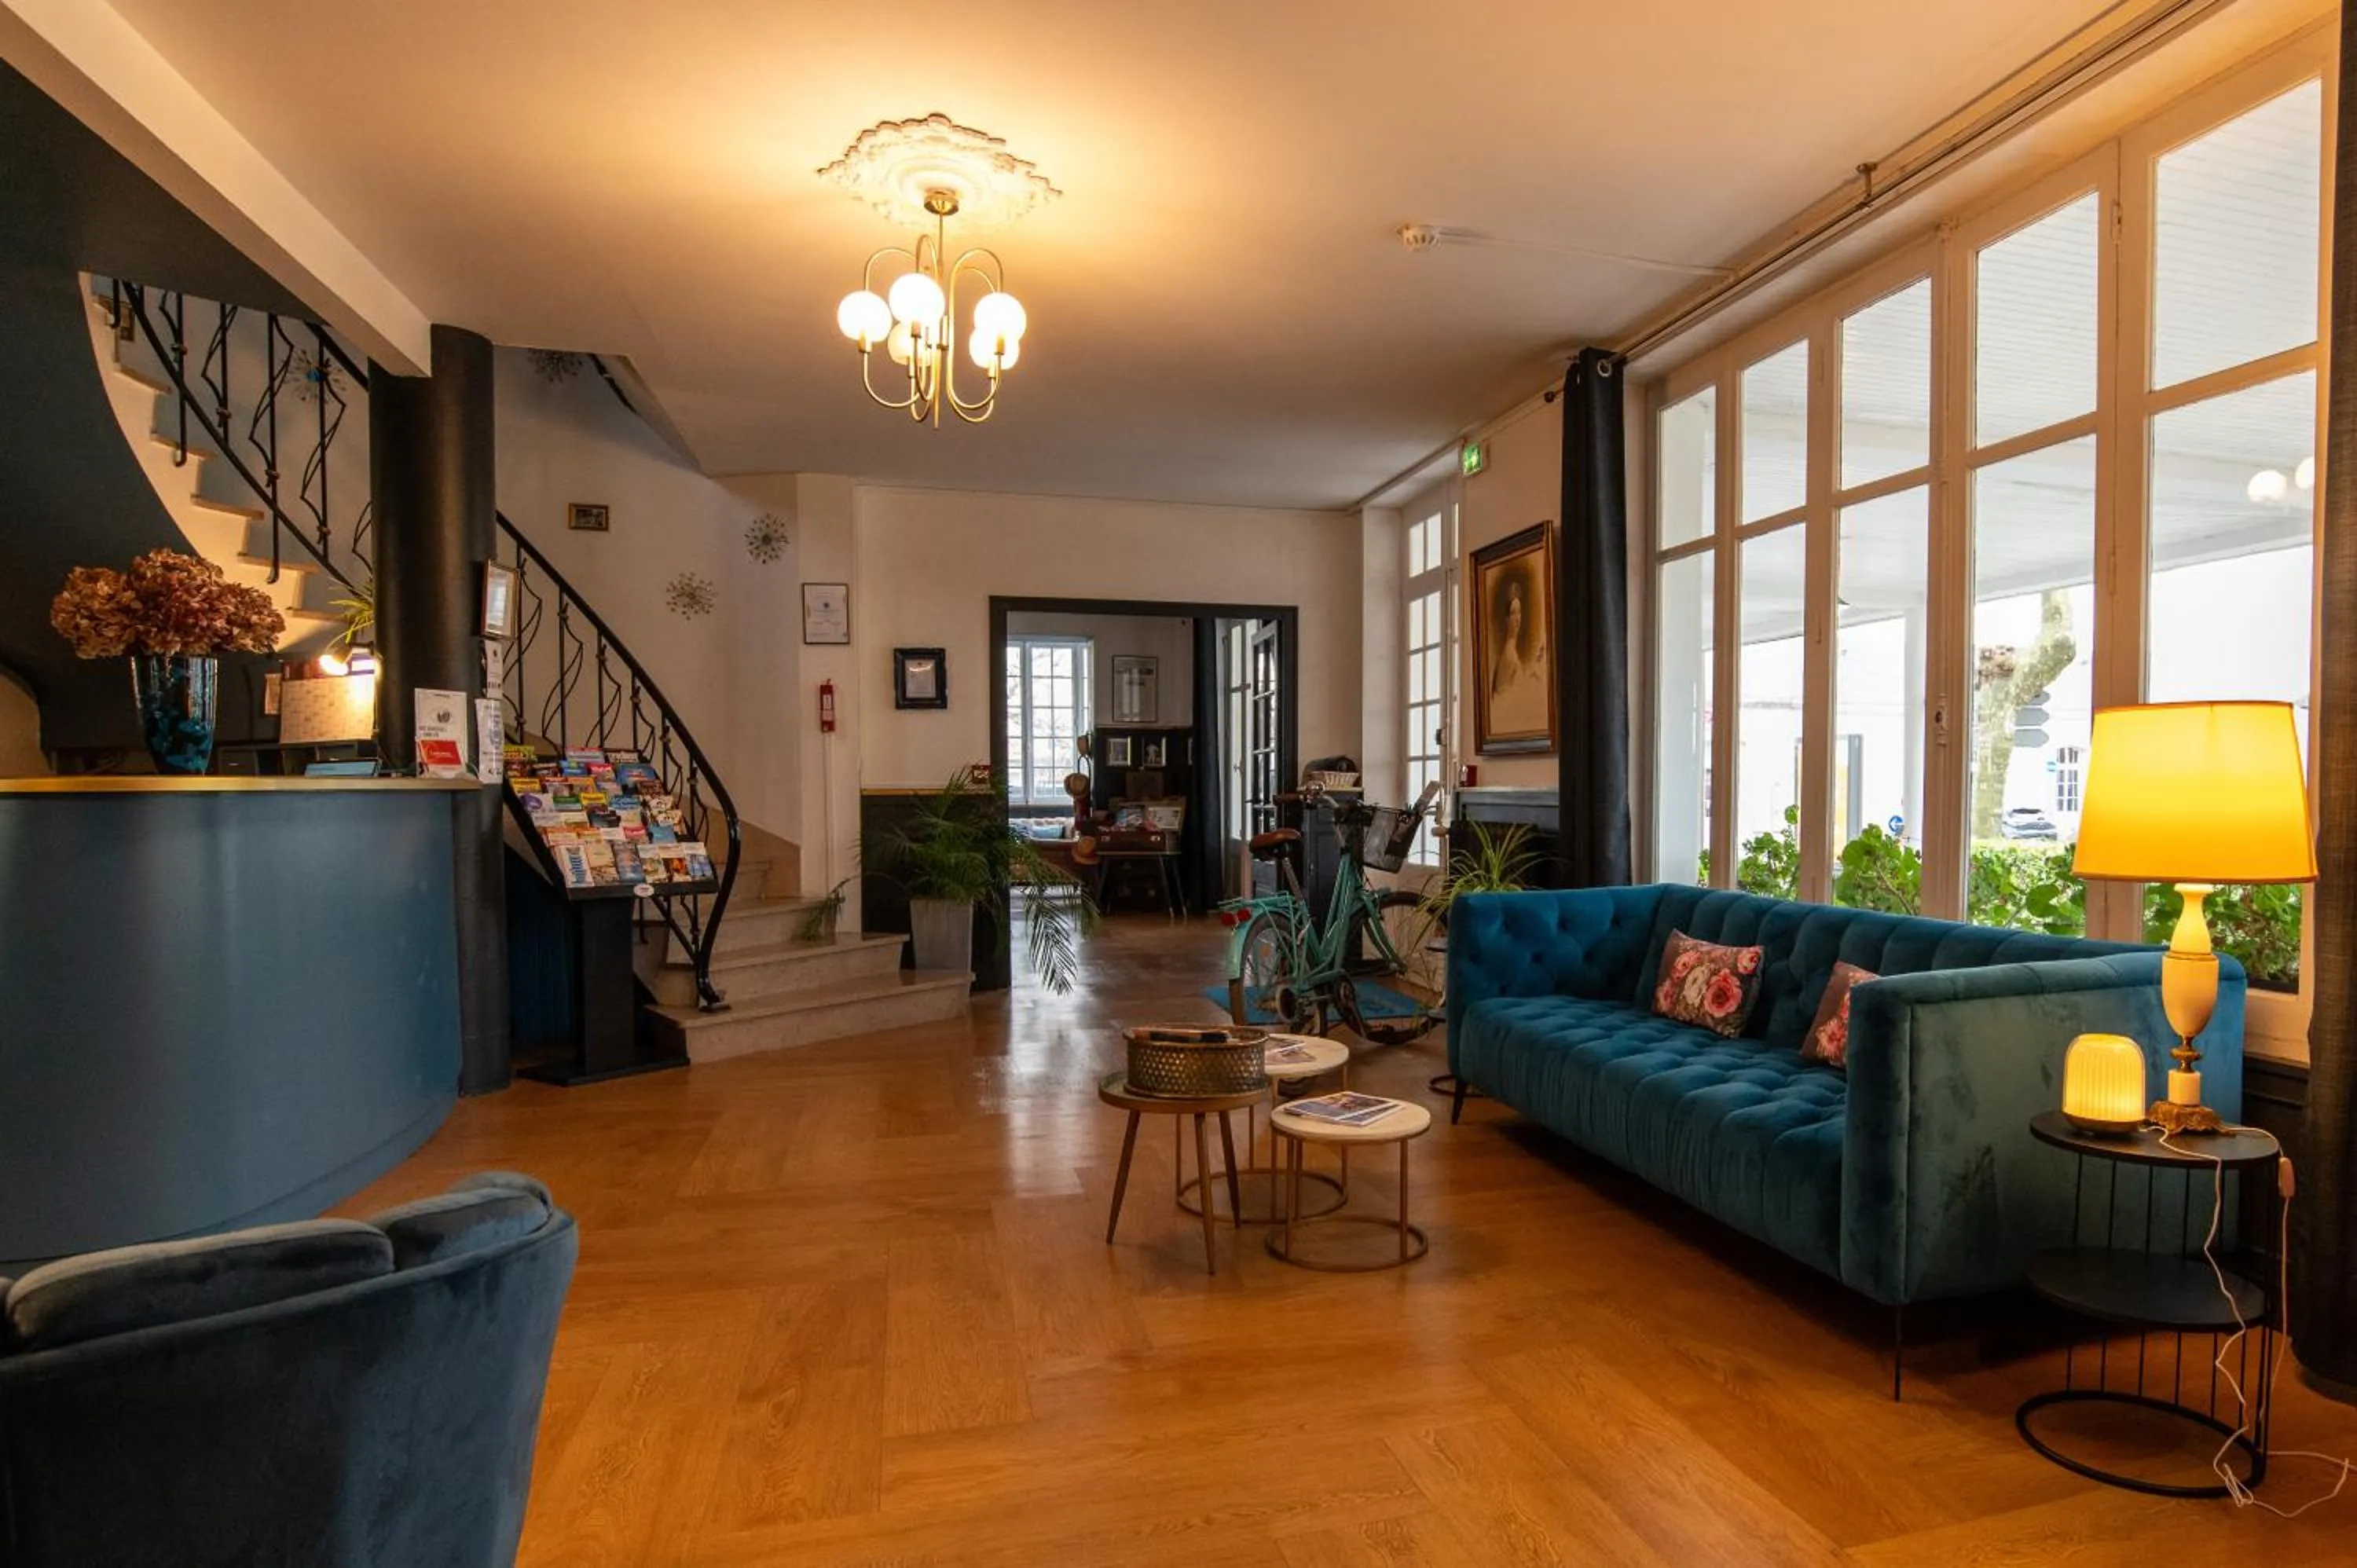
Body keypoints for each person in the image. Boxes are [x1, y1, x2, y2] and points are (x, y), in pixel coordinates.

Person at [1489, 576, 1548, 736]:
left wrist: (1536, 666)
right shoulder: (1509, 656)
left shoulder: (1512, 653)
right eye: (1514, 613)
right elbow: (1515, 700)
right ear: (1507, 619)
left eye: (1520, 612)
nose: (1518, 619)